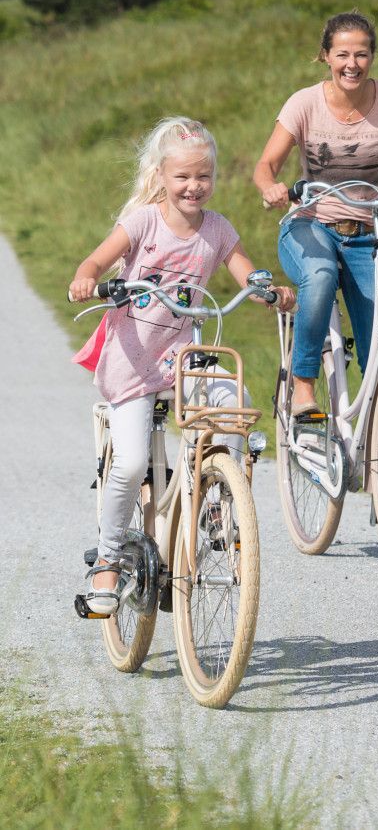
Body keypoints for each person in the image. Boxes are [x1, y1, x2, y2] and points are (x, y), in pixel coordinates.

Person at [69, 116, 295, 615]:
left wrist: (267, 289)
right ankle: (107, 560)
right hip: (133, 363)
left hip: (185, 361)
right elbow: (96, 261)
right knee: (128, 465)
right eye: (183, 177)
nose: (194, 186)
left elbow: (245, 272)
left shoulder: (217, 228)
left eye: (204, 177)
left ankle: (218, 500)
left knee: (235, 405)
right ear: (162, 176)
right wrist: (86, 278)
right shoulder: (143, 222)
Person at [252, 10, 378, 523]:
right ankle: (304, 388)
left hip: (369, 234)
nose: (352, 63)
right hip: (310, 227)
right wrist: (271, 187)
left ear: (373, 55)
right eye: (342, 53)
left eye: (361, 52)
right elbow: (265, 165)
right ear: (325, 55)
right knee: (319, 278)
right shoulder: (304, 104)